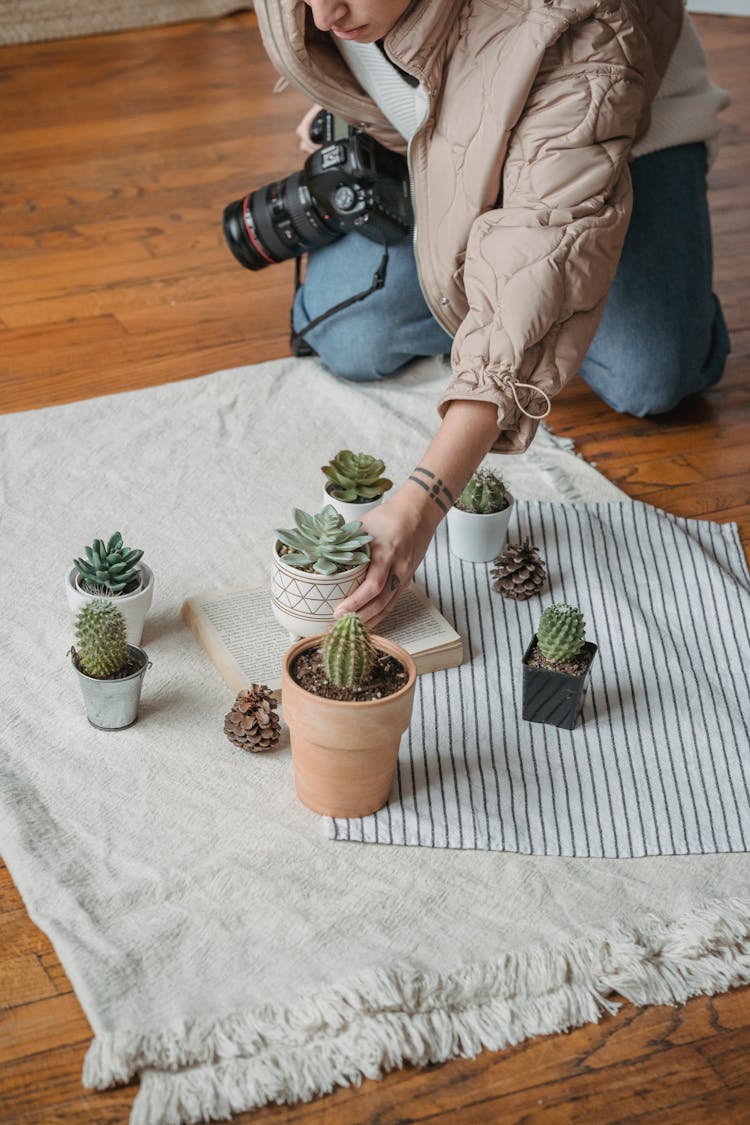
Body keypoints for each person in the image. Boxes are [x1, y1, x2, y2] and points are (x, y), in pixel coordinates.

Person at [253, 0, 730, 625]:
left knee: (651, 375)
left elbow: (541, 236)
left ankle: (578, 273)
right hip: (442, 137)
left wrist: (422, 503)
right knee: (352, 339)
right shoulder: (330, 12)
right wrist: (348, 102)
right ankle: (500, 277)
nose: (321, 17)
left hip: (608, 120)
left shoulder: (580, 21)